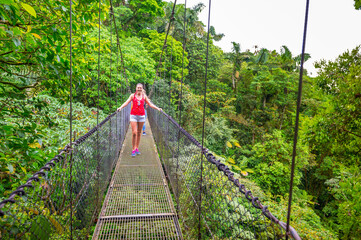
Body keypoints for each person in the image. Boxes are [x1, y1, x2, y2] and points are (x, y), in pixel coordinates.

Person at [117, 83, 162, 157]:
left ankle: (136, 148)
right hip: (133, 116)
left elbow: (150, 104)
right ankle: (133, 148)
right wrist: (120, 107)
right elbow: (127, 102)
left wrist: (158, 108)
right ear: (136, 88)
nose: (139, 89)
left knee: (139, 132)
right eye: (138, 87)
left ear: (142, 88)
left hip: (141, 116)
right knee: (134, 132)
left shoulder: (144, 97)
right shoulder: (132, 95)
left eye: (140, 88)